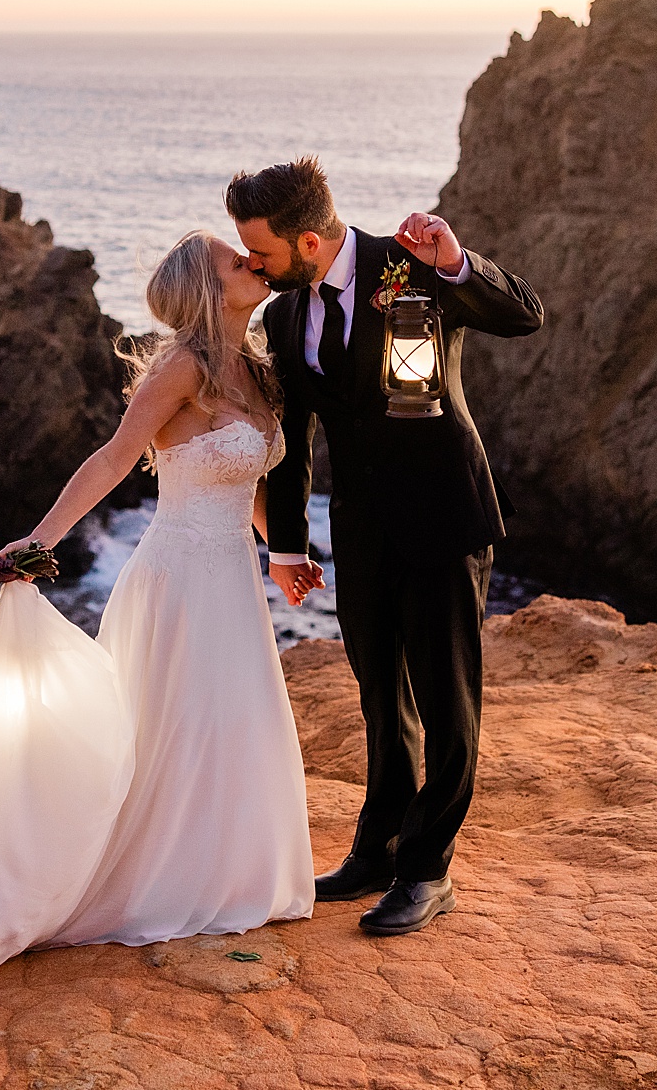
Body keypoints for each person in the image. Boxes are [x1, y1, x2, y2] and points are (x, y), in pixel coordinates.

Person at [0, 230, 314, 1001]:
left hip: (233, 578)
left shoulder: (260, 373)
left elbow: (251, 486)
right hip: (176, 580)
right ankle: (136, 881)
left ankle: (220, 873)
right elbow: (112, 457)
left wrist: (283, 552)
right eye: (232, 260)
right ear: (205, 287)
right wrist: (37, 542)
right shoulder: (183, 368)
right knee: (170, 729)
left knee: (230, 724)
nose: (251, 262)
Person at [226, 157, 543, 936]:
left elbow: (524, 314)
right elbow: (295, 441)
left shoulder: (414, 265)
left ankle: (428, 871)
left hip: (445, 517)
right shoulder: (281, 316)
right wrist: (289, 546)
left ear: (306, 240)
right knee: (380, 696)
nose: (252, 267)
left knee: (445, 700)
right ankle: (380, 848)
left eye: (261, 254)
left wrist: (459, 262)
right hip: (360, 531)